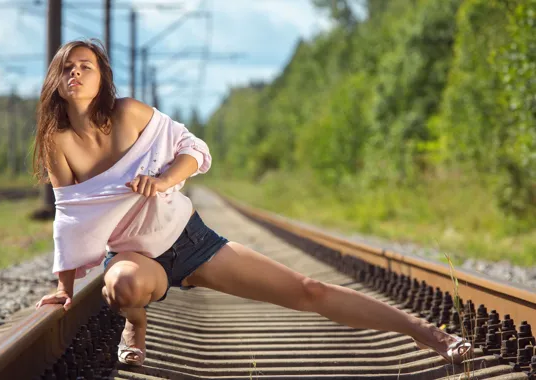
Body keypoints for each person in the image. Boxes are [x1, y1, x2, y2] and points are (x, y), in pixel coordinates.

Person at [34, 39, 472, 367]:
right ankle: (136, 322)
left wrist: (165, 178)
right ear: (56, 78)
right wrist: (63, 288)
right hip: (135, 256)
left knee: (309, 290)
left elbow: (193, 149)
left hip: (191, 240)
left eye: (85, 66)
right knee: (122, 285)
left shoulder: (130, 113)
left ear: (101, 77)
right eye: (67, 68)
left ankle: (424, 332)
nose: (76, 74)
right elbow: (72, 216)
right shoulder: (60, 143)